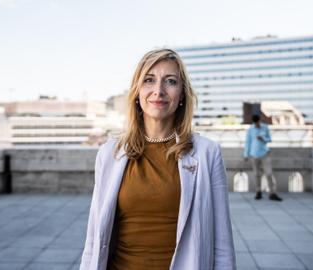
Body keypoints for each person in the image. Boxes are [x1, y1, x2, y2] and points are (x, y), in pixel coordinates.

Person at [79, 49, 236, 270]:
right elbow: (95, 237)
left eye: (170, 81)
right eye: (149, 80)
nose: (158, 90)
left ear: (182, 94)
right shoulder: (109, 154)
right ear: (136, 92)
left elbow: (222, 244)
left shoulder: (207, 153)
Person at [244, 114, 282, 201]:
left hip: (264, 153)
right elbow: (248, 143)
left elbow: (269, 139)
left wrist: (263, 138)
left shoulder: (265, 127)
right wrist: (246, 155)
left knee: (269, 173)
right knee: (257, 174)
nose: (256, 124)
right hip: (254, 154)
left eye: (257, 122)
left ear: (259, 121)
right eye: (255, 123)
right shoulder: (250, 129)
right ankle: (258, 192)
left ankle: (272, 193)